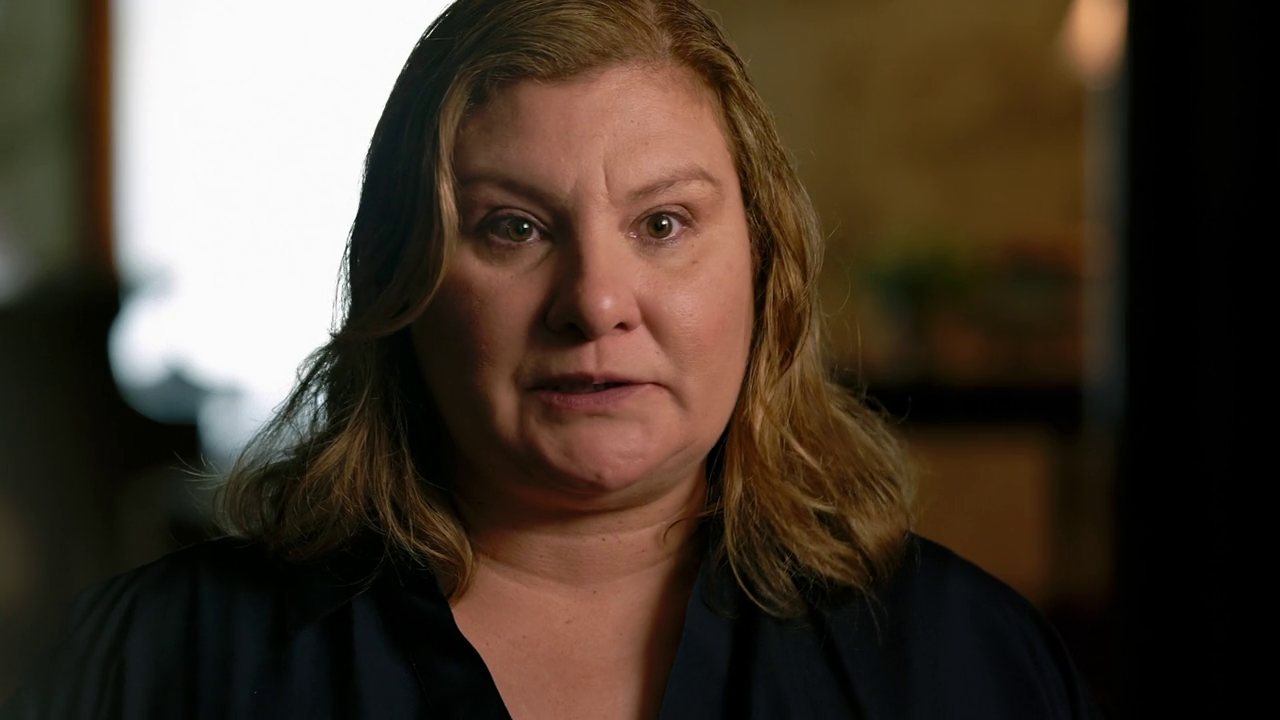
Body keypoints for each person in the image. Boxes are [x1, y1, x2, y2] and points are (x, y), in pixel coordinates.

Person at [1, 0, 1105, 718]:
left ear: (764, 268)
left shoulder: (960, 663)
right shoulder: (167, 662)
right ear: (402, 281)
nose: (595, 303)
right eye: (513, 228)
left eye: (663, 224)